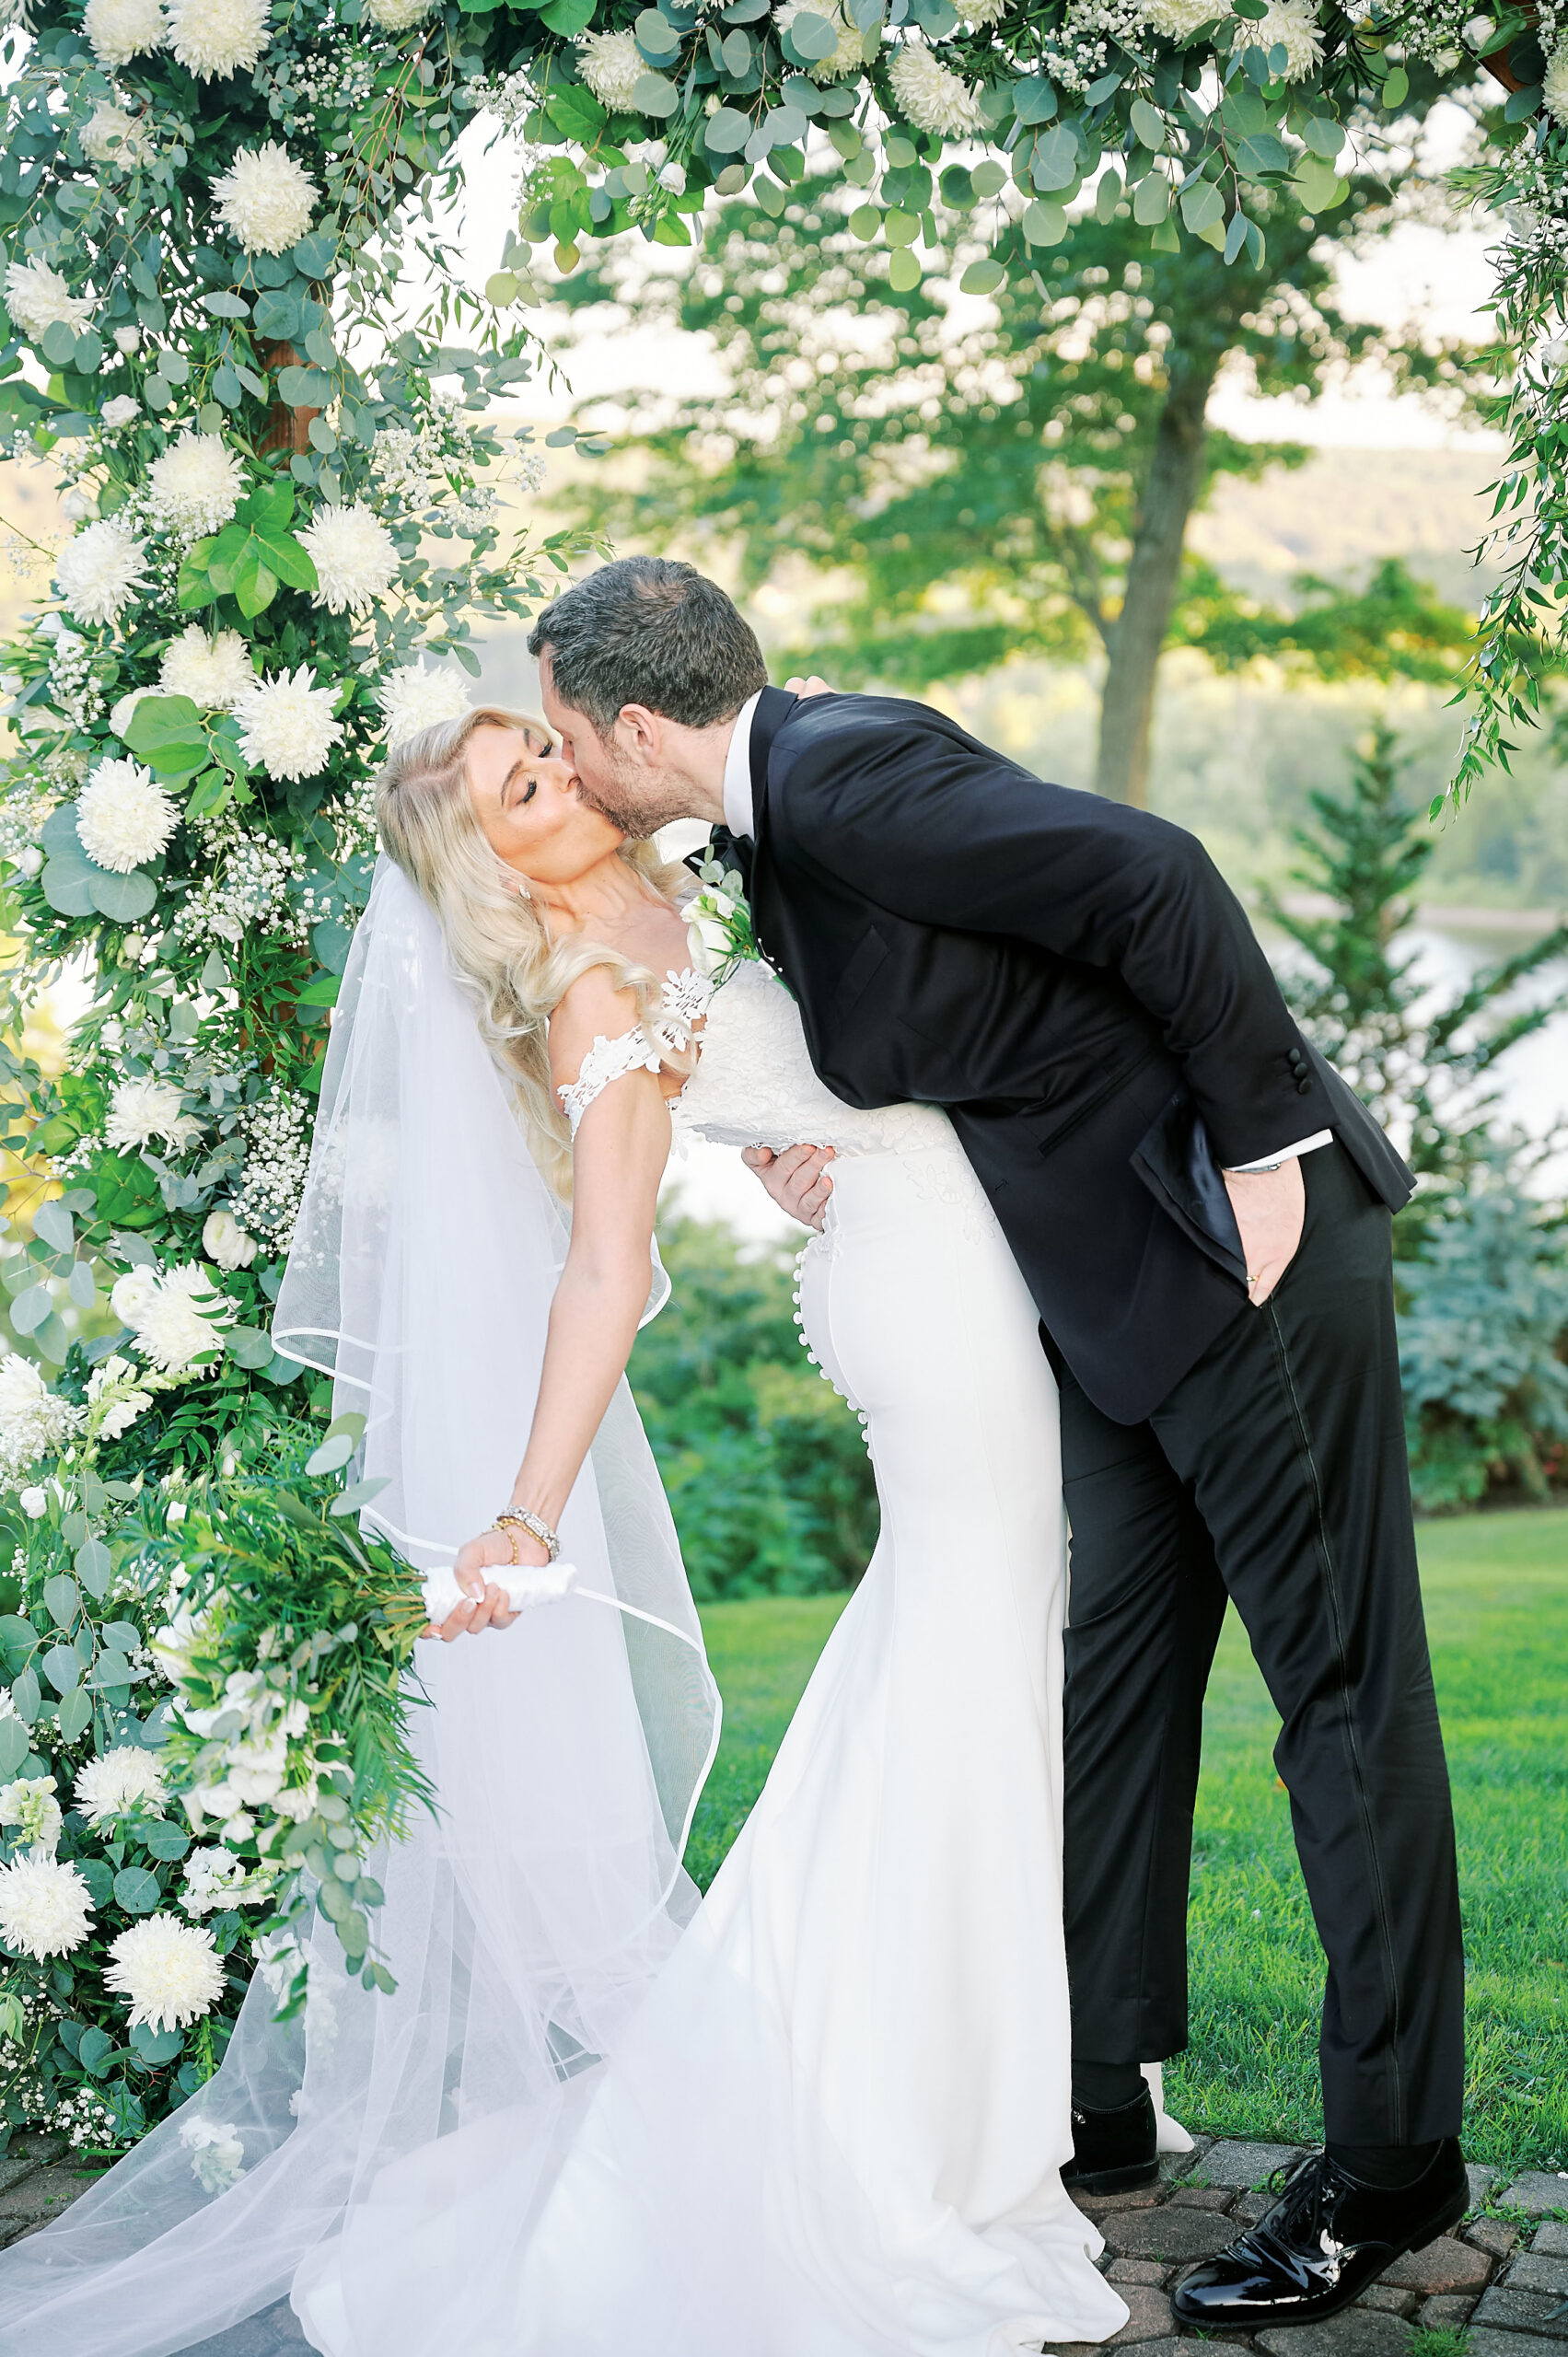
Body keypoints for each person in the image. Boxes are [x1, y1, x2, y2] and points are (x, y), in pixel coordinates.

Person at [0, 700, 1154, 2357]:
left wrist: (783, 1144)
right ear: (485, 864)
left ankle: (954, 2069)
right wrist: (524, 1513)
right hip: (927, 1300)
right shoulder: (589, 991)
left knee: (966, 1664)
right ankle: (914, 2111)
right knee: (972, 1662)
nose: (556, 785)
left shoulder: (673, 879)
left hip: (915, 1232)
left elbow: (779, 1058)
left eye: (541, 757)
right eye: (515, 794)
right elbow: (604, 1268)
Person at [524, 555, 1470, 2330]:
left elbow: (1156, 877)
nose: (568, 771)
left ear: (638, 725)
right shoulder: (783, 814)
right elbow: (966, 1010)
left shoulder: (844, 779)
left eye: (570, 741)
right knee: (1106, 1671)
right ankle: (1090, 2088)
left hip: (1232, 1248)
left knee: (1338, 1701)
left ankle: (1398, 2160)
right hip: (1106, 1301)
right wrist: (800, 1139)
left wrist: (1264, 1153)